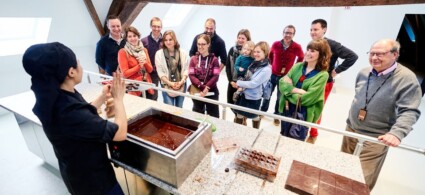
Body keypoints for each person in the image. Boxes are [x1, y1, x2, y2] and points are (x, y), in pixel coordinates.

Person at [22, 42, 127, 194]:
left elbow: (82, 114)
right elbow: (120, 133)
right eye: (78, 62)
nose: (80, 65)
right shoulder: (68, 112)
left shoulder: (53, 96)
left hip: (75, 177)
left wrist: (103, 97)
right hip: (97, 184)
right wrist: (118, 99)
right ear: (71, 72)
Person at [341, 39, 421, 190]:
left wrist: (397, 133)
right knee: (341, 171)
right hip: (351, 130)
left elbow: (410, 110)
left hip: (376, 138)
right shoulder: (364, 72)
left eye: (380, 54)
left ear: (395, 55)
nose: (374, 57)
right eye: (371, 53)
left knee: (361, 180)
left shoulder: (406, 79)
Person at [307, 19, 359, 143]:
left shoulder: (332, 44)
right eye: (311, 30)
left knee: (317, 108)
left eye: (315, 29)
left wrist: (336, 70)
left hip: (325, 82)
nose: (312, 32)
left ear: (324, 30)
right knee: (306, 105)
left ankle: (313, 134)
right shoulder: (312, 44)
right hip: (310, 80)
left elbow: (353, 56)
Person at [278, 39, 331, 141]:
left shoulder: (323, 75)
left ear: (322, 55)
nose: (308, 53)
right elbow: (281, 83)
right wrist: (297, 90)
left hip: (303, 114)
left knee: (296, 141)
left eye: (313, 51)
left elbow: (307, 99)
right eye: (308, 49)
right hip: (287, 108)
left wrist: (288, 92)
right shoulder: (298, 66)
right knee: (283, 138)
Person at [260, 25, 304, 126]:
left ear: (293, 35)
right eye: (286, 32)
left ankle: (277, 116)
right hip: (272, 75)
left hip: (285, 78)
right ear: (283, 33)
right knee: (267, 94)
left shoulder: (296, 47)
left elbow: (301, 57)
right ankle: (262, 111)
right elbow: (270, 55)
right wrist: (270, 65)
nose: (288, 35)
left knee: (280, 98)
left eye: (290, 33)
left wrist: (294, 70)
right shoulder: (276, 44)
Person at [234, 41, 272, 129]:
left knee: (253, 116)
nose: (255, 54)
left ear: (265, 52)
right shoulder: (254, 62)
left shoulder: (266, 69)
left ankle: (255, 131)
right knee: (239, 113)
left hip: (253, 98)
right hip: (244, 94)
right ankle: (237, 130)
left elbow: (253, 83)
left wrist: (238, 83)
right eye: (254, 51)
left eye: (258, 52)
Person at [188, 34, 220, 118]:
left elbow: (216, 76)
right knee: (197, 115)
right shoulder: (193, 59)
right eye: (199, 44)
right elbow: (191, 75)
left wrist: (207, 87)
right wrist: (201, 86)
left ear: (208, 44)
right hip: (197, 91)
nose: (200, 46)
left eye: (203, 44)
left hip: (211, 91)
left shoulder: (215, 60)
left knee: (214, 116)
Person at [155, 30, 189, 107]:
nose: (168, 42)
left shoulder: (183, 53)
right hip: (166, 85)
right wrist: (170, 83)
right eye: (166, 40)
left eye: (170, 39)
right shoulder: (159, 54)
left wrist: (181, 82)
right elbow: (160, 72)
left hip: (181, 85)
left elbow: (186, 69)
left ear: (174, 40)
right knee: (169, 110)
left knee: (179, 109)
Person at [118, 26, 154, 99]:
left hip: (147, 85)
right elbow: (125, 74)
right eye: (130, 36)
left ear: (138, 36)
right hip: (134, 88)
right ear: (126, 39)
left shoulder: (144, 50)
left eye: (134, 36)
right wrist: (139, 66)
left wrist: (145, 62)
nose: (133, 38)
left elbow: (150, 70)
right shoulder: (123, 52)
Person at [225, 29, 251, 123]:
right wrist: (230, 81)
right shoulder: (232, 50)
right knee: (230, 102)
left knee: (242, 103)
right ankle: (238, 116)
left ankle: (241, 119)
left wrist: (242, 83)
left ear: (247, 40)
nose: (240, 40)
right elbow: (228, 66)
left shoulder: (250, 53)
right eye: (239, 37)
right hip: (232, 81)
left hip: (244, 83)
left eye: (243, 38)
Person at [142, 17, 163, 101]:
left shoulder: (166, 40)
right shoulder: (144, 41)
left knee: (167, 94)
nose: (156, 29)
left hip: (164, 73)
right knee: (152, 96)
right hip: (151, 73)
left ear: (161, 27)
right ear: (150, 26)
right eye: (154, 26)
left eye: (158, 26)